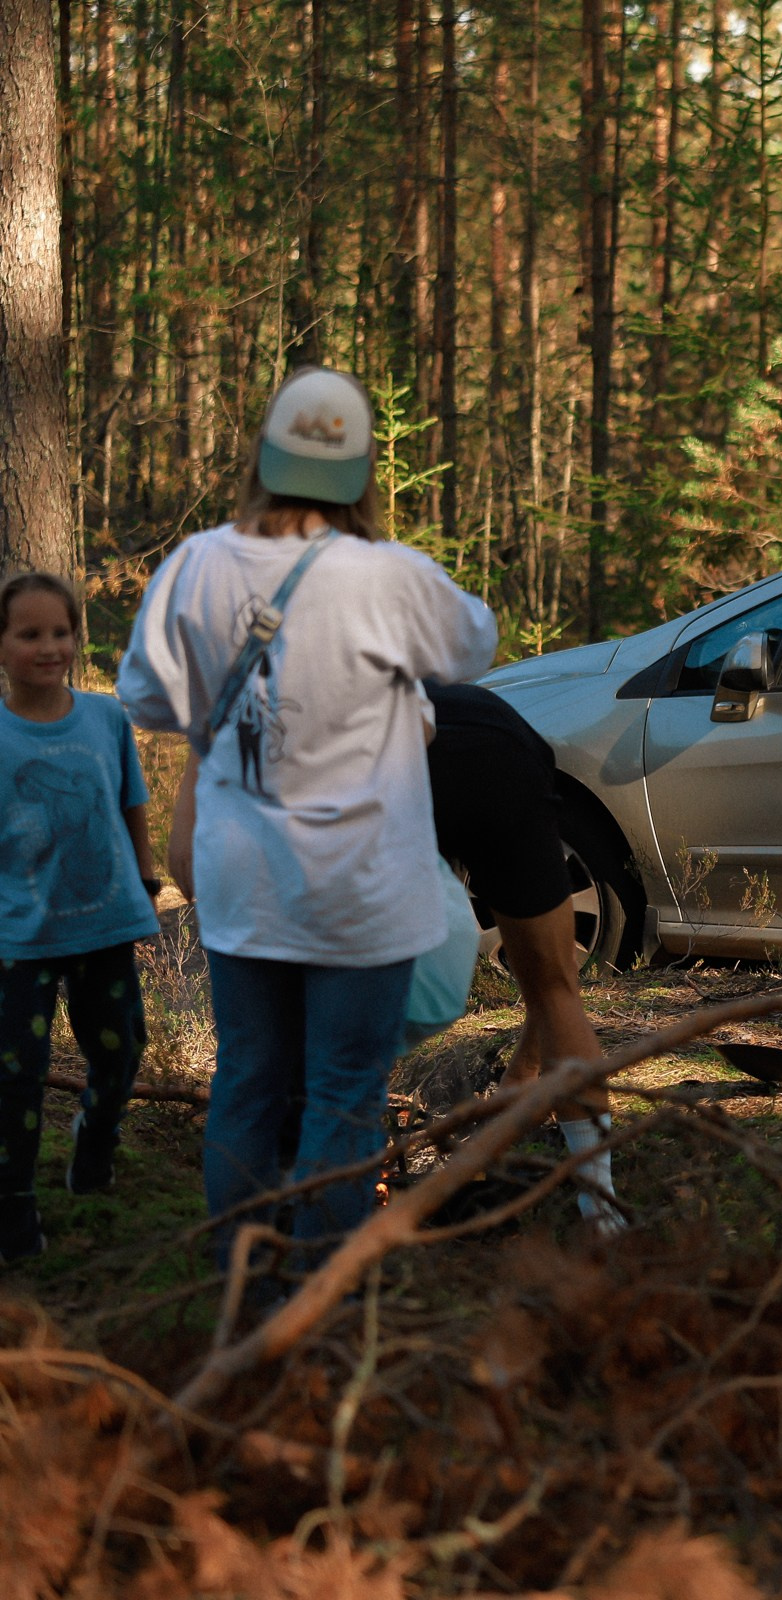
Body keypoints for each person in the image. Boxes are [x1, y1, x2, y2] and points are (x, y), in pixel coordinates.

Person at [118, 367, 496, 1271]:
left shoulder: (196, 567)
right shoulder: (393, 578)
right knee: (342, 1100)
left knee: (247, 1085)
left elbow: (145, 695)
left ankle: (243, 1291)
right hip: (367, 896)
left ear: (265, 461)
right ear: (363, 473)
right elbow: (475, 643)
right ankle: (319, 1315)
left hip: (249, 889)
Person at [0, 572, 163, 1263]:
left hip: (105, 922)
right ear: (2, 646)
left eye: (60, 633)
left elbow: (130, 797)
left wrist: (147, 868)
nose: (48, 647)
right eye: (29, 634)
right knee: (16, 1071)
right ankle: (13, 1210)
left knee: (122, 1048)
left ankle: (96, 1137)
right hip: (20, 935)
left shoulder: (105, 718)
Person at [424, 681, 620, 1226]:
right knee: (557, 986)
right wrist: (522, 1076)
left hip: (409, 760)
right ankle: (601, 1212)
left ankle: (346, 1179)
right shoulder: (462, 696)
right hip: (506, 750)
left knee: (357, 984)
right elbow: (556, 986)